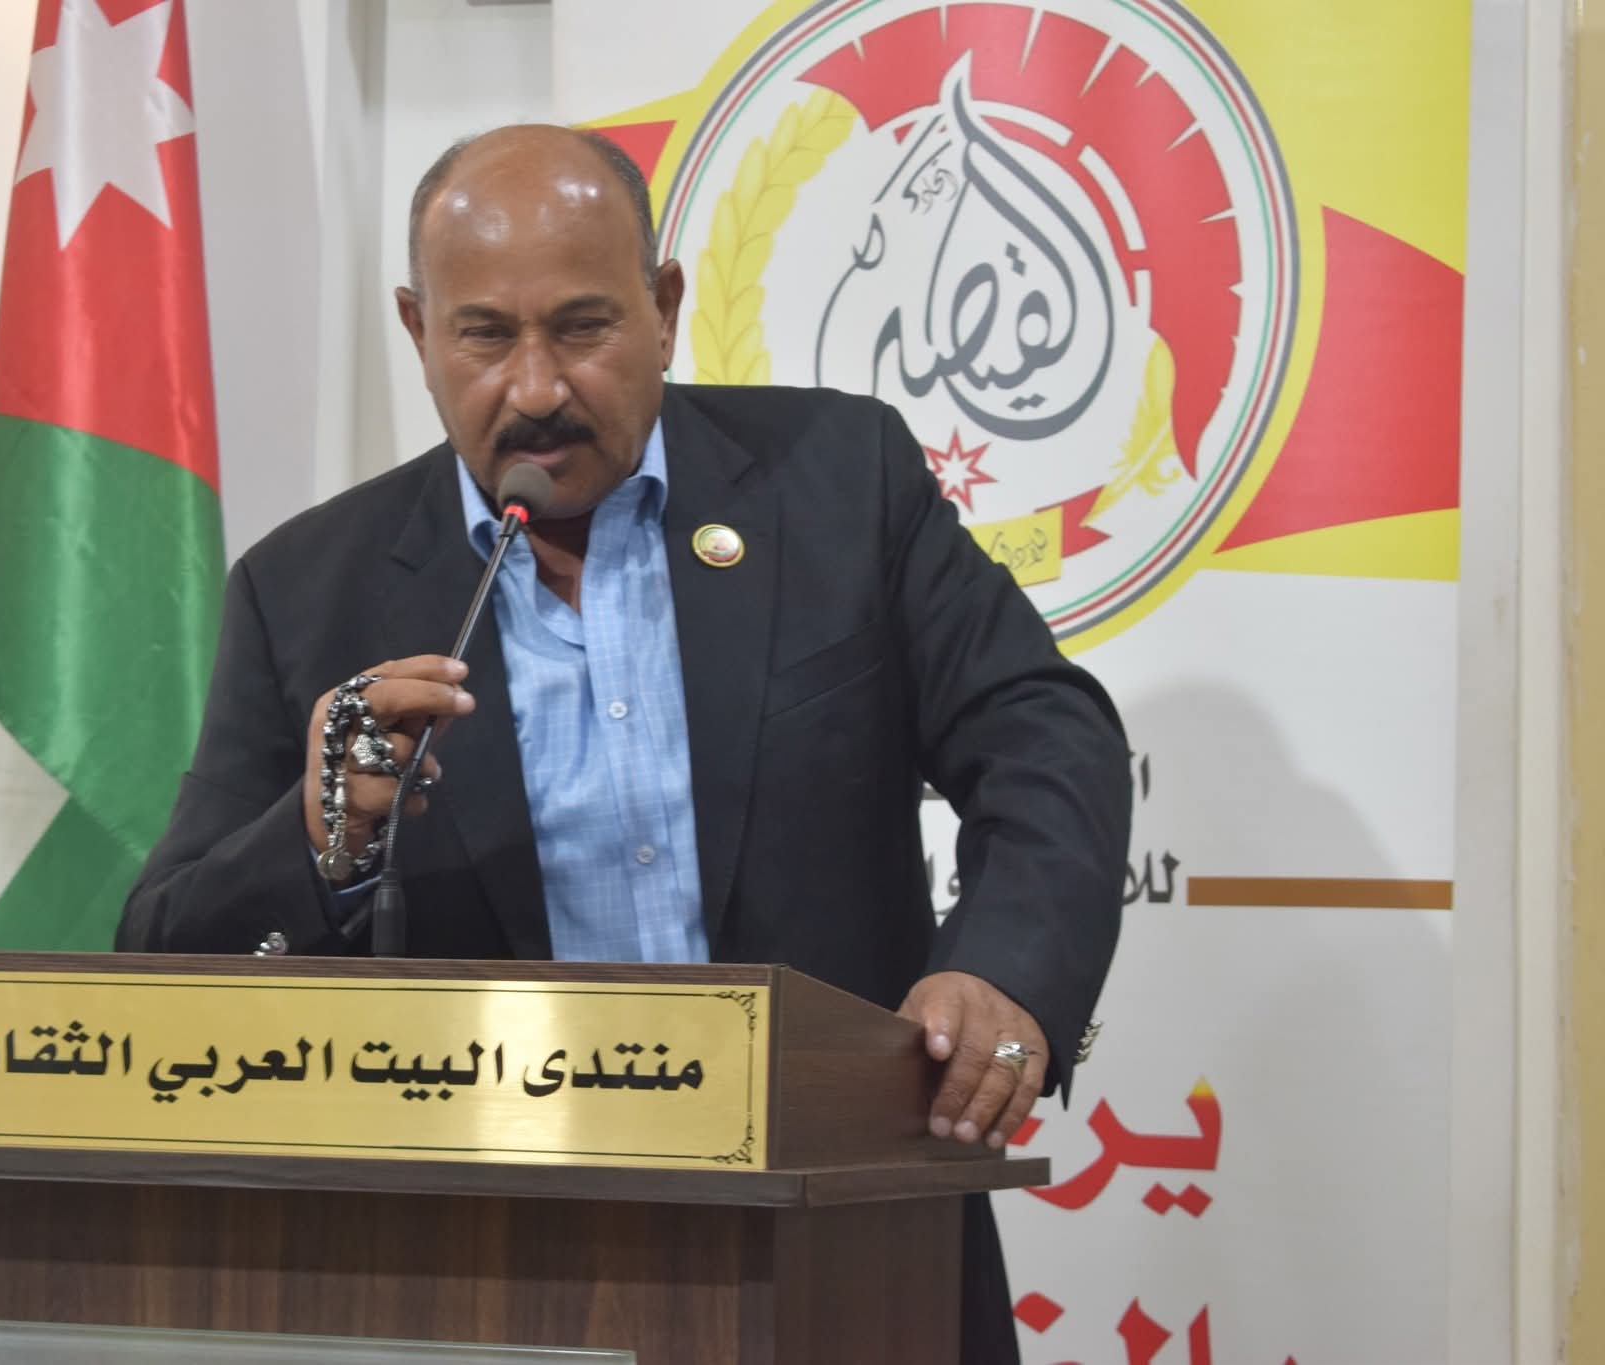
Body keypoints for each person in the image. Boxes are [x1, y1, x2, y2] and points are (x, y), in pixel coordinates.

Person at [117, 124, 1130, 1362]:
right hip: (485, 1286)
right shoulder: (306, 592)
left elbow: (1045, 735)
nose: (536, 388)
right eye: (483, 335)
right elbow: (161, 953)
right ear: (416, 330)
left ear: (663, 308)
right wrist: (320, 838)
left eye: (582, 327)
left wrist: (1004, 970)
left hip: (843, 1243)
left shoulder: (837, 482)